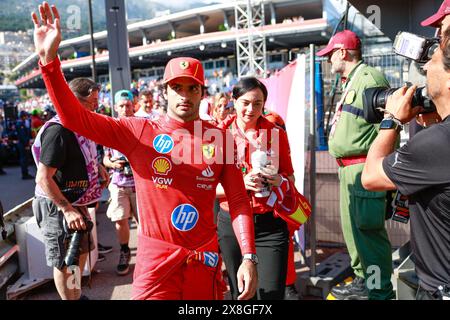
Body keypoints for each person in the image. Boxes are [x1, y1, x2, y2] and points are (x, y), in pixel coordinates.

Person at [32, 1, 257, 300]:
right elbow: (76, 118)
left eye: (193, 88)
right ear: (164, 91)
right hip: (156, 263)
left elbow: (239, 200)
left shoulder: (220, 139)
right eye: (177, 87)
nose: (185, 95)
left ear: (203, 92)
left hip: (203, 261)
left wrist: (249, 257)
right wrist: (49, 62)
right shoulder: (138, 131)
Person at [362, 26, 450, 301]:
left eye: (433, 62)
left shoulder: (438, 143)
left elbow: (371, 176)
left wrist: (391, 120)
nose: (424, 70)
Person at [316, 30, 394, 300]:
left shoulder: (369, 77)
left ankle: (379, 291)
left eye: (330, 54)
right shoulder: (354, 79)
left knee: (368, 234)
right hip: (350, 170)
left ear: (342, 52)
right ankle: (364, 281)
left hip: (364, 169)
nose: (328, 60)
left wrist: (379, 167)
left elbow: (388, 127)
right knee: (355, 235)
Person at [216, 77, 298, 300]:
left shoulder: (276, 133)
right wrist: (240, 185)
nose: (250, 109)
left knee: (271, 294)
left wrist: (277, 180)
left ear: (264, 105)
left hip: (269, 222)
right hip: (231, 221)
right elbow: (206, 187)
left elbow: (290, 178)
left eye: (257, 104)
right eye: (245, 102)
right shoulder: (217, 134)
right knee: (241, 295)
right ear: (234, 101)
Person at [31, 77, 109, 300]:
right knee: (65, 261)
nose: (96, 106)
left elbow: (79, 158)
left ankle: (76, 295)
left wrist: (98, 168)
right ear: (74, 101)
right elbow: (43, 178)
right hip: (57, 204)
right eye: (91, 102)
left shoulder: (79, 125)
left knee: (80, 252)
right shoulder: (59, 132)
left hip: (78, 201)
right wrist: (67, 209)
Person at [103, 90, 138, 276]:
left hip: (140, 183)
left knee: (145, 223)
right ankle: (125, 251)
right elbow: (105, 158)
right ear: (116, 108)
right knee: (120, 220)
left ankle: (148, 257)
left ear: (134, 106)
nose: (125, 109)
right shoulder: (110, 128)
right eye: (122, 106)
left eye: (128, 105)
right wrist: (113, 163)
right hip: (118, 182)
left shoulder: (141, 125)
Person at [16, 111, 34, 180]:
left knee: (25, 159)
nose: (27, 117)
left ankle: (26, 173)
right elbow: (22, 136)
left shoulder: (21, 123)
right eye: (26, 116)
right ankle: (25, 174)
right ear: (23, 116)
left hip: (22, 144)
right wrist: (26, 144)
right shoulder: (20, 124)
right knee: (24, 160)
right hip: (23, 144)